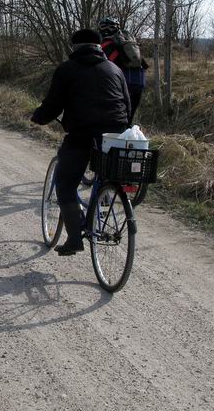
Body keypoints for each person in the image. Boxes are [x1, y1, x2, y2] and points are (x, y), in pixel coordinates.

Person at [31, 28, 130, 255]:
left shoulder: (67, 70)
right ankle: (103, 198)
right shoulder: (114, 69)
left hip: (81, 135)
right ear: (99, 47)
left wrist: (39, 117)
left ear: (74, 48)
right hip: (114, 136)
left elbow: (53, 104)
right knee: (106, 174)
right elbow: (127, 104)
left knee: (65, 184)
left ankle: (75, 239)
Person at [98, 17, 146, 122]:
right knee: (128, 120)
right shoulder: (130, 45)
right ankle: (127, 134)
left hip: (118, 86)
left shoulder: (103, 47)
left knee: (114, 121)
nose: (107, 29)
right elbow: (144, 65)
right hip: (137, 84)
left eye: (109, 26)